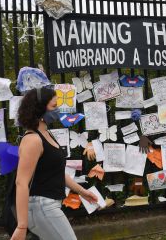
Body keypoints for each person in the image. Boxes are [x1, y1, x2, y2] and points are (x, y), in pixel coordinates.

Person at [11, 87, 97, 240]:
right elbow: (21, 182)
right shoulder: (32, 140)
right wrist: (21, 226)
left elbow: (56, 172)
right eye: (53, 106)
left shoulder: (46, 133)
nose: (57, 110)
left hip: (48, 206)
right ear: (39, 110)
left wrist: (82, 192)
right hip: (42, 206)